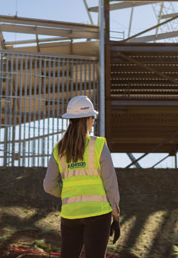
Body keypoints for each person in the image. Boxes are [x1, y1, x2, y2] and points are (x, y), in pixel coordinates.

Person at [43, 95, 121, 258]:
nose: (93, 120)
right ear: (87, 118)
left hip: (70, 214)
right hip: (98, 214)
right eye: (93, 117)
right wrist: (116, 217)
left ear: (70, 120)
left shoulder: (59, 149)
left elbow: (49, 186)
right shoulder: (99, 145)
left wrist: (67, 193)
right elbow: (110, 184)